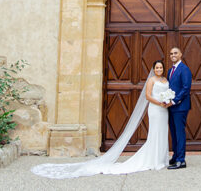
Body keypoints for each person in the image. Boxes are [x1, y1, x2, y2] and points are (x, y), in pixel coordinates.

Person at [31, 59, 172, 178]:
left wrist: (168, 101)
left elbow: (168, 93)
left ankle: (161, 159)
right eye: (157, 67)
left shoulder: (165, 80)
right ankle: (153, 160)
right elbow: (148, 96)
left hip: (164, 110)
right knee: (154, 133)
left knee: (163, 132)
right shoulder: (152, 80)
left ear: (163, 69)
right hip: (155, 109)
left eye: (161, 67)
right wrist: (159, 102)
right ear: (153, 69)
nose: (159, 69)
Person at [167, 46, 192, 169]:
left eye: (175, 53)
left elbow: (186, 88)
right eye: (171, 53)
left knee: (179, 133)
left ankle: (181, 160)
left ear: (181, 54)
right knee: (173, 132)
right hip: (171, 107)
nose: (173, 55)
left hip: (180, 107)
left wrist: (174, 101)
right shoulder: (170, 71)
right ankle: (176, 156)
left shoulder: (184, 69)